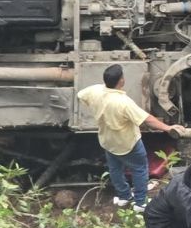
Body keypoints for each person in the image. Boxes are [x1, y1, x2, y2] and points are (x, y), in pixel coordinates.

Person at [76, 65, 182, 212]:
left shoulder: (95, 91)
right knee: (140, 169)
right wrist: (168, 128)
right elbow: (147, 119)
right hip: (127, 143)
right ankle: (140, 203)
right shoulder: (123, 102)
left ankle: (123, 197)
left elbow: (80, 94)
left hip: (108, 141)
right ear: (121, 81)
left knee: (115, 169)